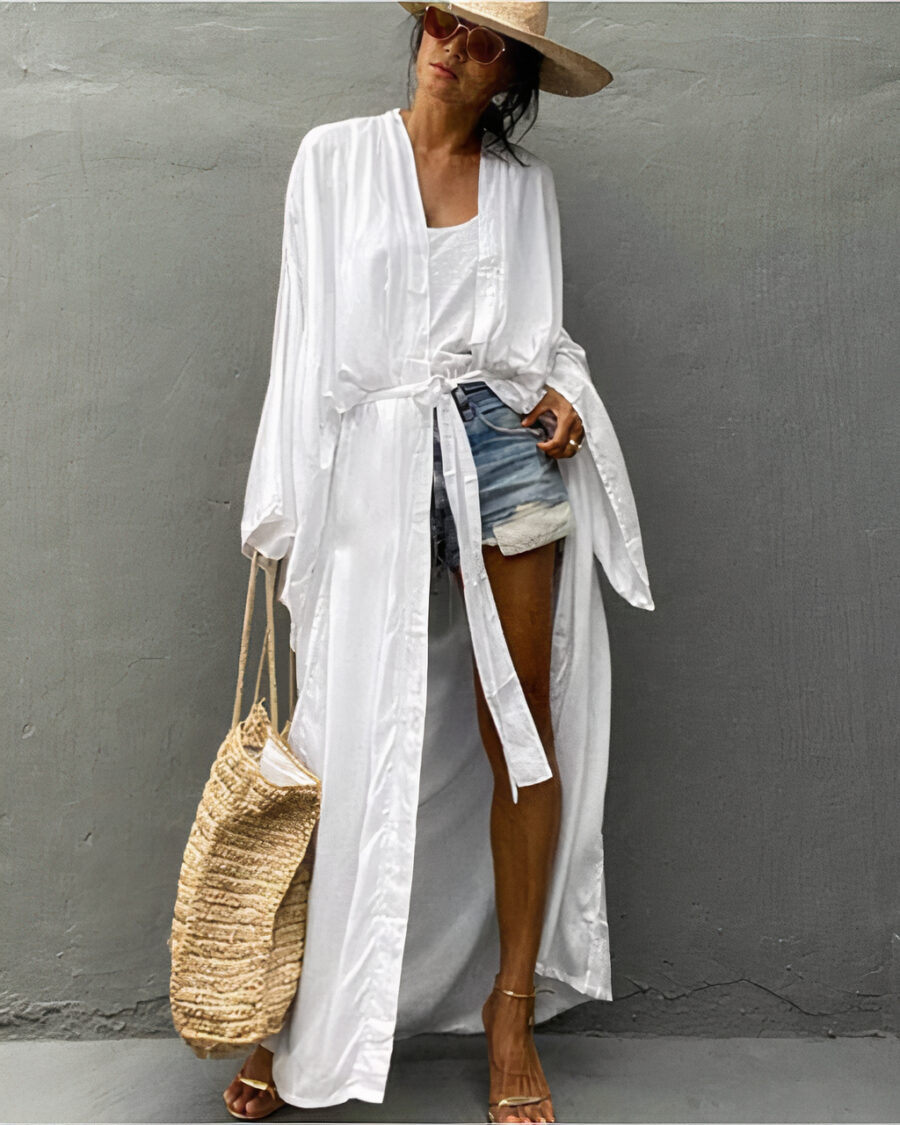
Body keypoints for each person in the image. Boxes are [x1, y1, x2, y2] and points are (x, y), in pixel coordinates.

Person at [224, 3, 654, 1122]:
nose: (452, 46)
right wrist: (282, 511)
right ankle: (298, 1008)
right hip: (371, 457)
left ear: (510, 70)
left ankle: (509, 1005)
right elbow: (302, 330)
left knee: (521, 729)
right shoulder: (333, 160)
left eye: (483, 38)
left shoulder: (523, 189)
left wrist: (563, 390)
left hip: (501, 453)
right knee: (338, 730)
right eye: (439, 20)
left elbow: (540, 337)